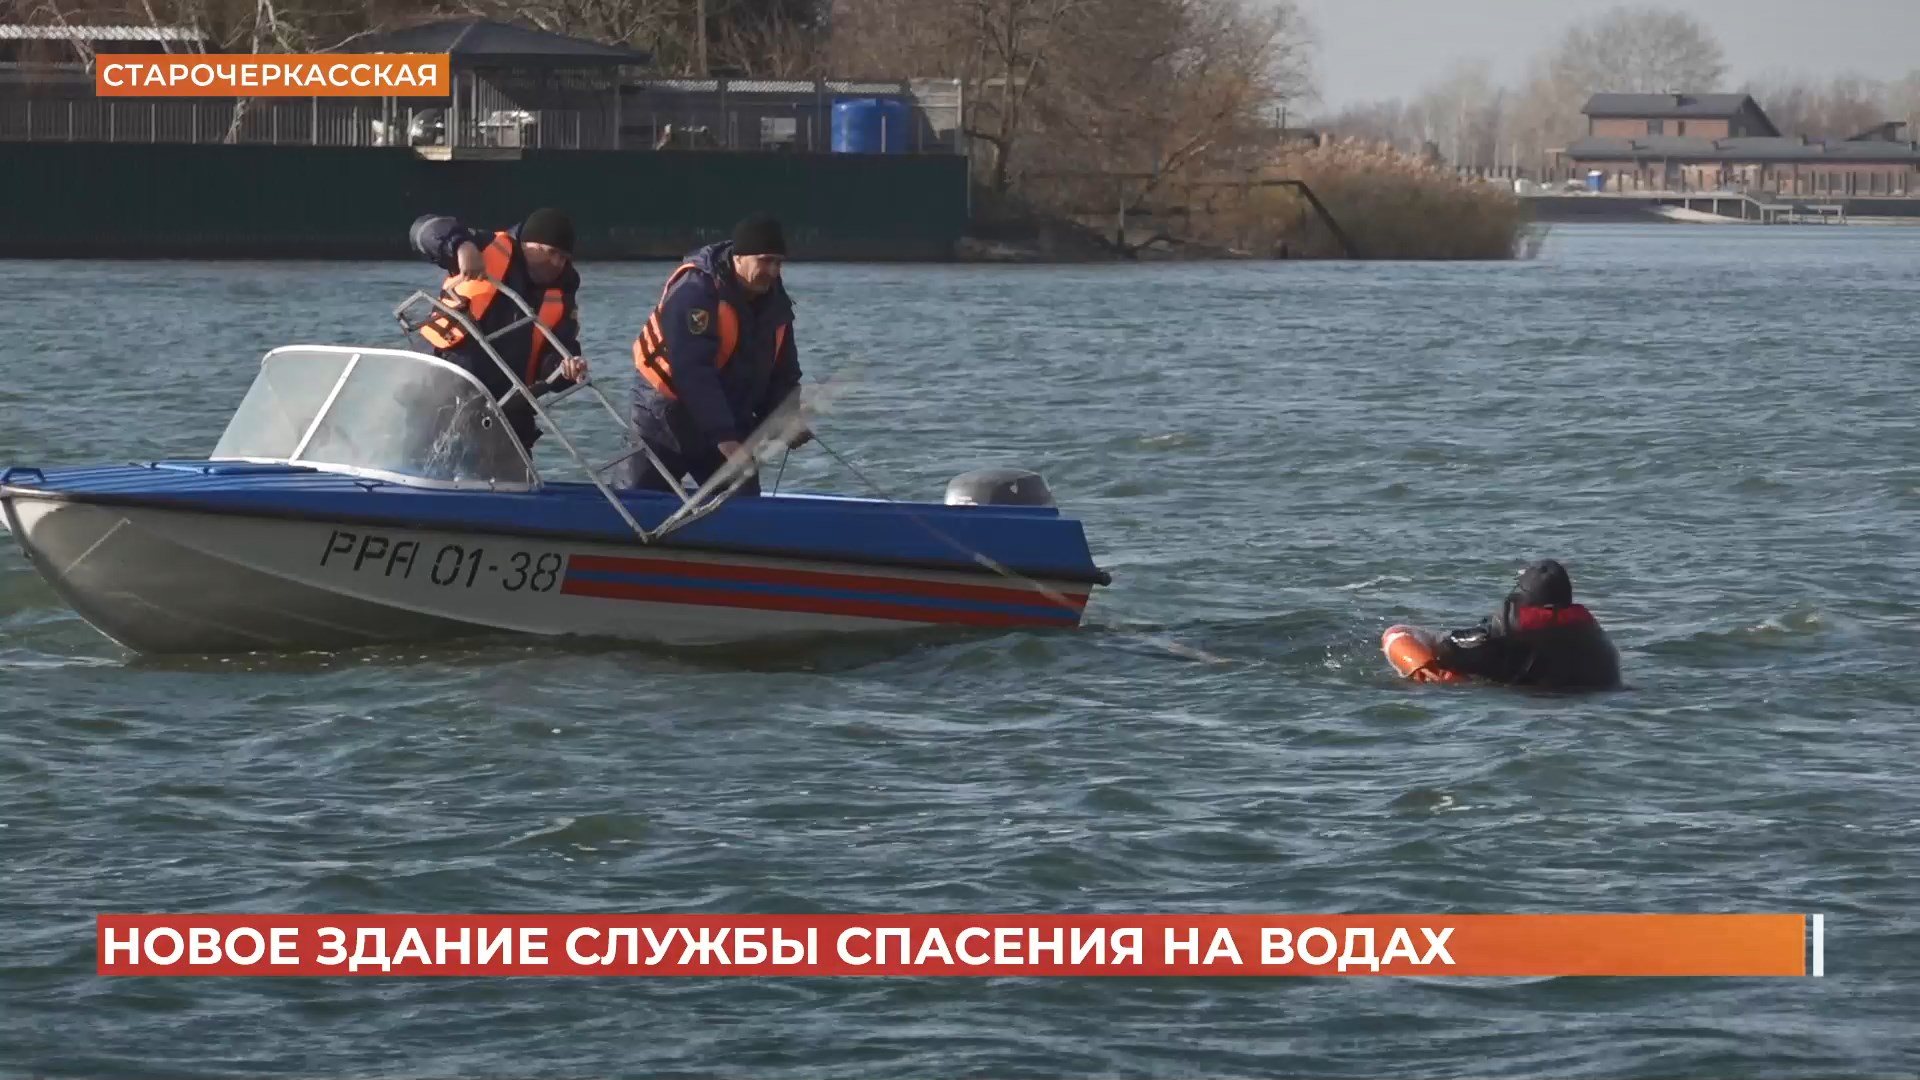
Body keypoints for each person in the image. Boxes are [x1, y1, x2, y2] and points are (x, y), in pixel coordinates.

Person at [621, 212, 808, 496]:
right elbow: (692, 369)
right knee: (633, 503)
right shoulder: (696, 290)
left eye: (778, 262)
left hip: (727, 419)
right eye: (765, 261)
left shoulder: (776, 304)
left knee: (743, 505)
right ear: (739, 258)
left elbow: (784, 374)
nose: (773, 271)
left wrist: (787, 420)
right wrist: (725, 438)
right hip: (665, 417)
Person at [409, 208, 589, 453]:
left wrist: (566, 368)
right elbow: (422, 229)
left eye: (564, 257)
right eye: (552, 253)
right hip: (442, 392)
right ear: (527, 244)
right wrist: (461, 247)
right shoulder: (484, 246)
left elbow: (556, 353)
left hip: (506, 413)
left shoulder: (563, 291)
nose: (557, 263)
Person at [1428, 558, 1622, 690]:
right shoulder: (1594, 634)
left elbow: (1443, 650)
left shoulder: (1507, 637)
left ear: (1523, 597)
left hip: (1530, 710)